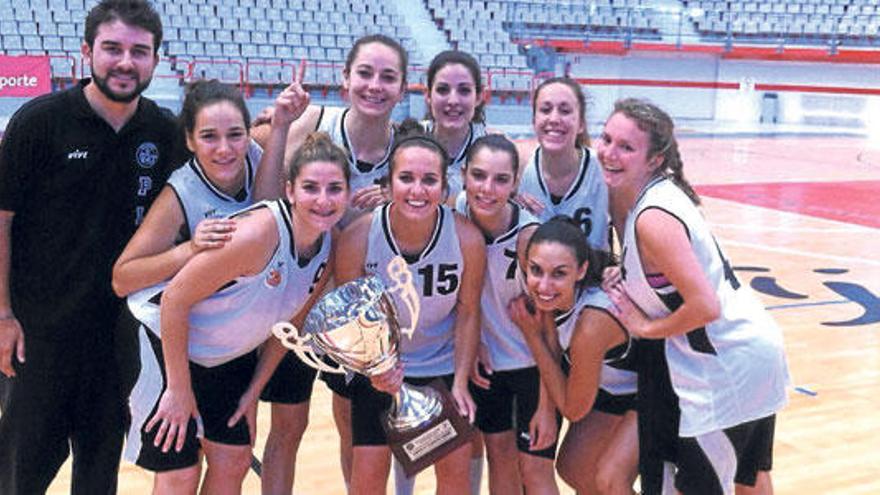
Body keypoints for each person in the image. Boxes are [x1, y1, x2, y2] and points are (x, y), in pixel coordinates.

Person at [0, 1, 180, 492]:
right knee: (20, 476)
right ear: (86, 52)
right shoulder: (39, 123)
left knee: (99, 479)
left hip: (119, 341)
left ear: (155, 60)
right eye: (113, 48)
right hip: (40, 338)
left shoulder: (165, 134)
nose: (126, 62)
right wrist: (3, 316)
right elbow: (3, 223)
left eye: (139, 51)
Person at [121, 132, 349, 494]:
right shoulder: (257, 233)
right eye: (311, 188)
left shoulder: (330, 244)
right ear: (290, 191)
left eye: (335, 188)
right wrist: (179, 390)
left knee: (234, 459)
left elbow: (290, 327)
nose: (323, 200)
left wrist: (254, 390)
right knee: (180, 471)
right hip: (160, 338)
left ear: (347, 194)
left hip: (219, 355)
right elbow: (175, 299)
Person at [599, 98, 789, 495]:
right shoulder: (658, 196)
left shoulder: (652, 216)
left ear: (655, 159)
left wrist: (648, 328)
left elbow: (705, 305)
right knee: (748, 479)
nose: (609, 153)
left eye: (626, 147)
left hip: (727, 366)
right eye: (606, 139)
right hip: (750, 351)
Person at [254, 36, 408, 489]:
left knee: (351, 430)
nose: (375, 85)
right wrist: (279, 123)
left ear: (403, 88)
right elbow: (262, 198)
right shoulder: (312, 122)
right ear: (344, 80)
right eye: (364, 73)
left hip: (359, 321)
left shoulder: (408, 149)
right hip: (297, 308)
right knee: (287, 430)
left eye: (388, 76)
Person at [334, 120, 485, 494]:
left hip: (440, 368)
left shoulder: (466, 238)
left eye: (429, 180)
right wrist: (374, 369)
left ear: (444, 186)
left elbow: (468, 312)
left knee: (455, 478)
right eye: (406, 178)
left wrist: (461, 382)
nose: (418, 190)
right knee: (366, 479)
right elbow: (348, 318)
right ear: (389, 184)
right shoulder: (359, 237)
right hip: (381, 369)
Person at [456, 135, 566, 494]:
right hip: (488, 368)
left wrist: (548, 406)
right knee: (499, 456)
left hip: (534, 367)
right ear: (463, 176)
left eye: (501, 180)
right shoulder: (456, 213)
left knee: (535, 470)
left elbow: (550, 328)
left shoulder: (528, 237)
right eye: (479, 176)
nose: (487, 189)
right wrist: (469, 349)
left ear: (516, 184)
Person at [508, 217, 639, 494]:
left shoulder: (592, 323)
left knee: (610, 480)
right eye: (536, 270)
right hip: (617, 391)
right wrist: (544, 408)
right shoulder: (557, 298)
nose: (544, 285)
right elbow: (554, 347)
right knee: (574, 467)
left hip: (660, 388)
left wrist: (532, 337)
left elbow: (572, 408)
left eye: (558, 273)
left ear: (581, 271)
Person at [517, 77, 609, 251]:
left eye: (565, 111)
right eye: (545, 110)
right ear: (534, 120)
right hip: (536, 276)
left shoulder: (603, 170)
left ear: (581, 124)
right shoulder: (519, 168)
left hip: (592, 275)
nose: (554, 118)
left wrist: (620, 267)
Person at [422, 50, 490, 202]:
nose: (453, 101)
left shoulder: (492, 149)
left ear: (479, 97)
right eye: (442, 90)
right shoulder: (407, 139)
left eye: (464, 90)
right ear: (427, 95)